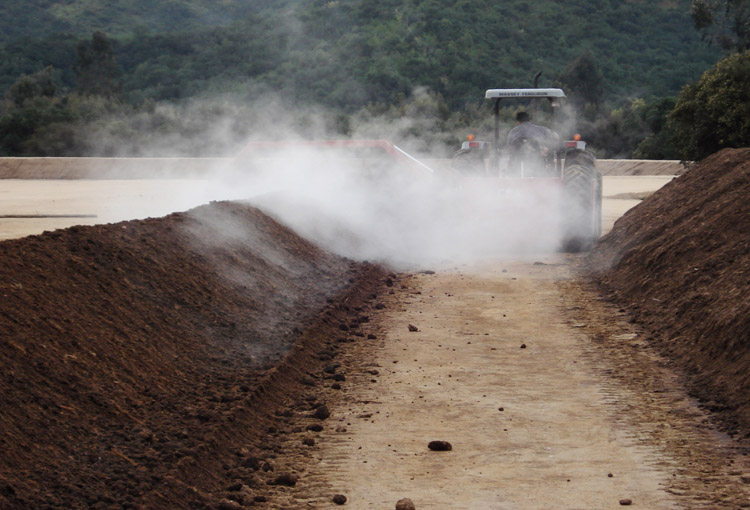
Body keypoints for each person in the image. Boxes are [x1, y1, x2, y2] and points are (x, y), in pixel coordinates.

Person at [506, 111, 560, 176]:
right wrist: (548, 148)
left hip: (516, 163)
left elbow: (509, 147)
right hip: (537, 162)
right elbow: (556, 137)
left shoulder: (513, 132)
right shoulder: (541, 129)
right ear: (529, 120)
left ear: (518, 121)